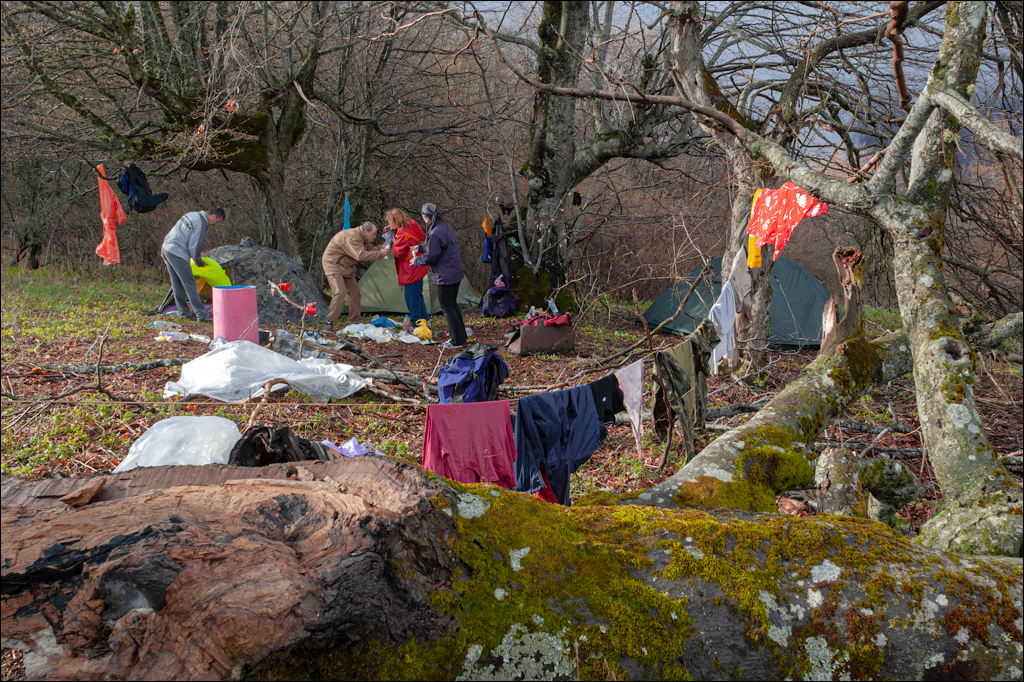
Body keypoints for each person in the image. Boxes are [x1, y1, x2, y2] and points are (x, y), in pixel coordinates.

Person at [413, 203, 467, 349]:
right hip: (455, 272)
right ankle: (461, 336)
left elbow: (431, 256)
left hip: (445, 275)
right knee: (453, 305)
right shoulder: (445, 227)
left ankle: (456, 340)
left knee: (447, 307)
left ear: (426, 217)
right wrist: (418, 248)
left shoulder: (435, 232)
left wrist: (416, 260)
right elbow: (434, 247)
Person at [322, 221, 391, 330]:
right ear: (365, 231)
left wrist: (381, 247)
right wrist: (381, 254)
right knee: (340, 292)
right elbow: (360, 255)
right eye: (373, 234)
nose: (374, 236)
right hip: (333, 265)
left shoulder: (362, 238)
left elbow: (370, 250)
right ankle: (329, 322)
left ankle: (355, 321)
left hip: (346, 268)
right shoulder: (353, 237)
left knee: (355, 292)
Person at [161, 207, 225, 322]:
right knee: (190, 284)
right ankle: (202, 315)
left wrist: (199, 253)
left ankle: (184, 313)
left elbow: (187, 239)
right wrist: (200, 262)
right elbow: (194, 246)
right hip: (177, 252)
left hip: (167, 248)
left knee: (177, 284)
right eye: (217, 221)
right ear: (214, 216)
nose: (216, 224)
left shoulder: (193, 215)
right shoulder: (202, 223)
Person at [385, 208, 429, 329]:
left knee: (411, 298)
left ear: (396, 221)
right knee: (418, 295)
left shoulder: (404, 235)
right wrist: (393, 230)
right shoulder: (412, 225)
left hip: (410, 269)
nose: (390, 224)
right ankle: (426, 322)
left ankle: (416, 325)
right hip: (418, 265)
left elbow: (399, 253)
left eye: (391, 222)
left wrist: (393, 240)